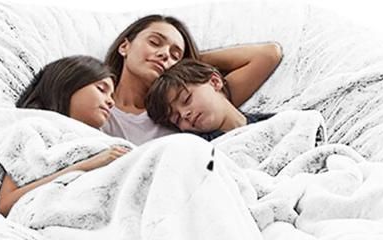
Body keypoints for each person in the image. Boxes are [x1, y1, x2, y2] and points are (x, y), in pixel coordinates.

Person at [101, 14, 283, 145]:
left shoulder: (199, 102)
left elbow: (269, 54)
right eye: (154, 42)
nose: (165, 54)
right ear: (124, 46)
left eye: (175, 55)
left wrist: (190, 63)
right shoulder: (97, 106)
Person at [0, 55, 131, 217]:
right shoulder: (35, 129)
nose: (111, 102)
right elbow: (6, 204)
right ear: (69, 85)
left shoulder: (102, 141)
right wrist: (88, 165)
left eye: (112, 96)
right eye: (101, 89)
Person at [145, 58, 276, 141]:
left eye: (186, 99)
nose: (184, 114)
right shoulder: (198, 149)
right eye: (177, 119)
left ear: (214, 82)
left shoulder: (272, 121)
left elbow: (268, 54)